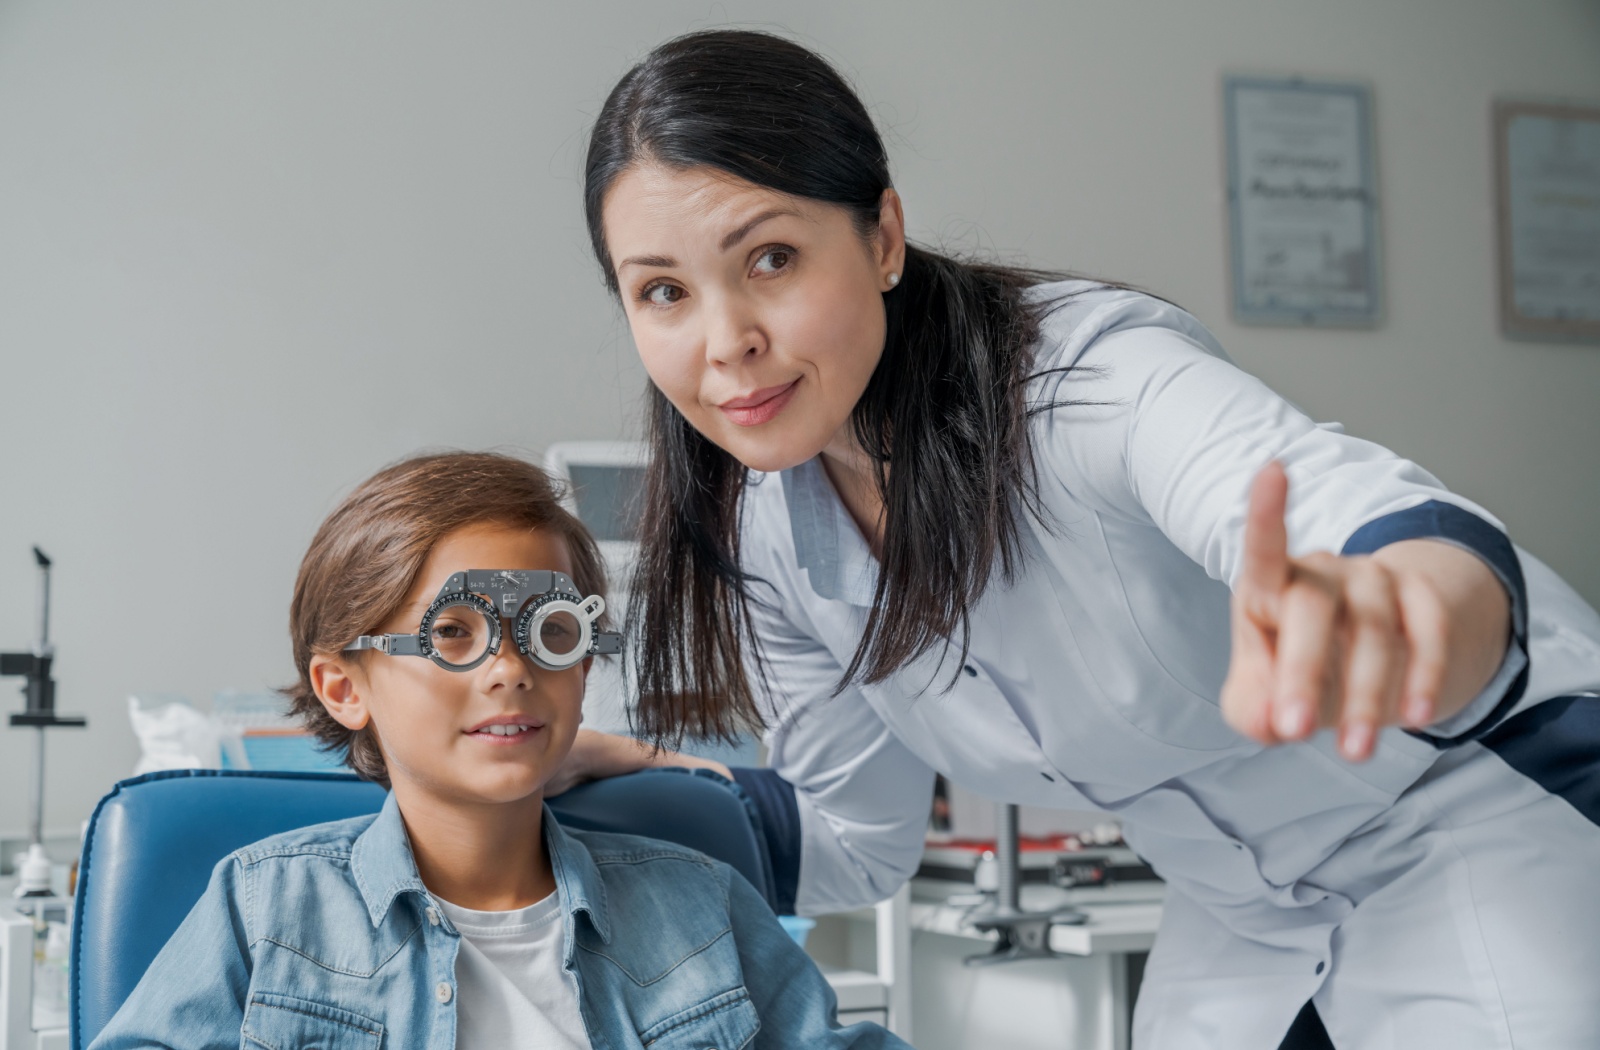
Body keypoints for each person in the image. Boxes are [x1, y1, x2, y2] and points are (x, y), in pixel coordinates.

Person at [557, 28, 1600, 1050]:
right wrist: (607, 786)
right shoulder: (771, 531)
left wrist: (1399, 603)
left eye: (772, 257)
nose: (725, 338)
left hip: (1477, 816)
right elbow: (853, 842)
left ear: (881, 238)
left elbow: (1355, 513)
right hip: (1241, 911)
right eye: (663, 292)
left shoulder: (1088, 385)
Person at [90, 451, 914, 1050]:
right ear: (345, 687)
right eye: (454, 634)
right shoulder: (266, 909)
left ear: (584, 663)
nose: (511, 668)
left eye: (550, 632)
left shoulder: (701, 908)